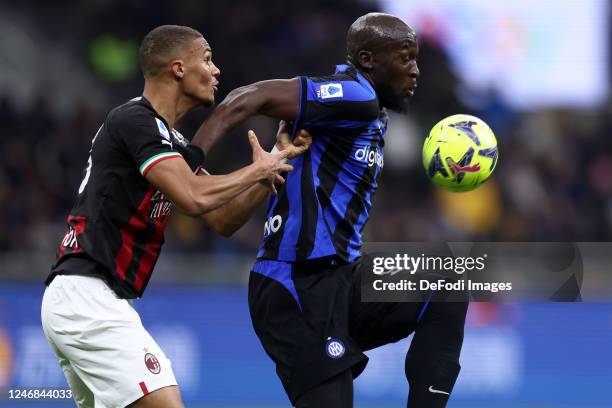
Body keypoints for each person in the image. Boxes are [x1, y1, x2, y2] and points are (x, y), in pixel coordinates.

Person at [192, 13, 468, 408]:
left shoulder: (364, 110)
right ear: (370, 60)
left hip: (341, 279)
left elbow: (224, 222)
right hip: (296, 285)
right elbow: (249, 97)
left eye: (417, 59)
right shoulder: (356, 96)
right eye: (406, 59)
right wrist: (191, 159)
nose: (416, 71)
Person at [41, 25, 309, 408]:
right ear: (179, 68)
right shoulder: (134, 120)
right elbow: (194, 197)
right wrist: (256, 171)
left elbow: (223, 219)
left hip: (94, 299)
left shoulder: (171, 143)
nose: (216, 70)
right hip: (87, 296)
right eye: (207, 58)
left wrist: (275, 161)